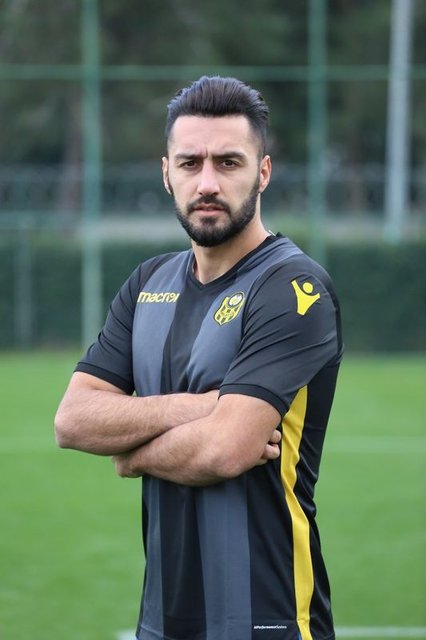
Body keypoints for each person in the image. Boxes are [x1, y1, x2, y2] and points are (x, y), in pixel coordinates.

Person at [55, 75, 343, 640]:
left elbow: (225, 449)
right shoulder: (148, 282)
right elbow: (73, 420)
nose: (207, 182)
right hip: (162, 621)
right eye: (190, 163)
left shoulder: (293, 288)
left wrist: (131, 456)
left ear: (263, 172)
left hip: (269, 618)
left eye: (229, 162)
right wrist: (202, 407)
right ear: (167, 173)